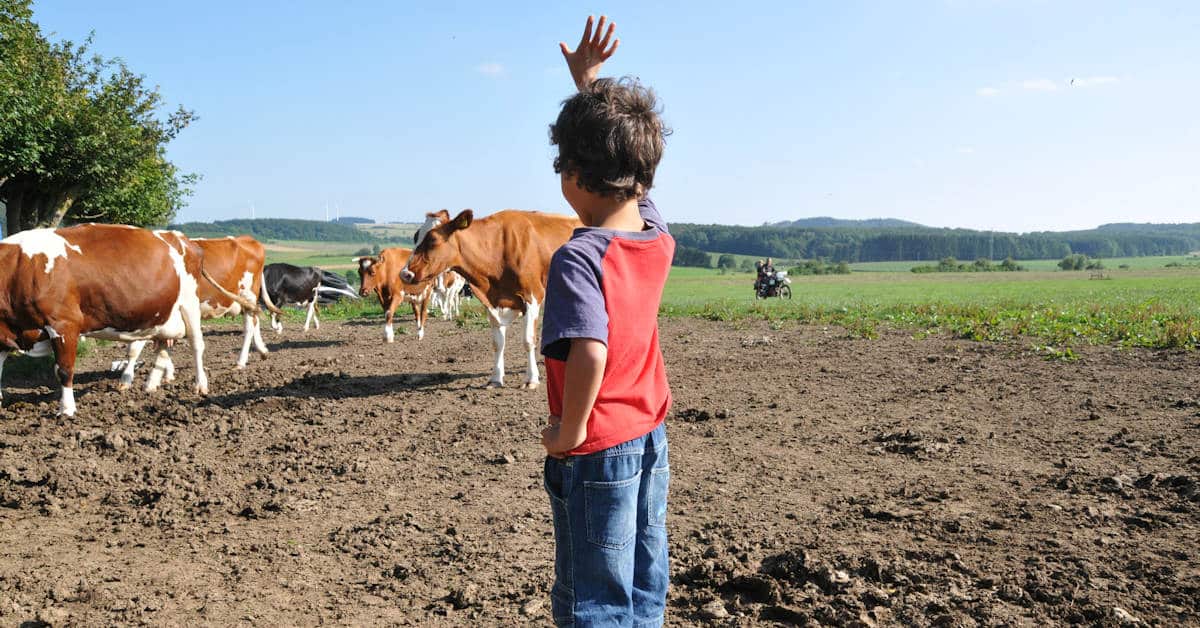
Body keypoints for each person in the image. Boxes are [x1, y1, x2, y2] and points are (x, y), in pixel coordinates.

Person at [539, 15, 674, 627]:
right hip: (650, 437)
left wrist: (569, 433)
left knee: (591, 594)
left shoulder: (578, 256)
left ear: (571, 175)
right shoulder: (656, 238)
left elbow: (589, 351)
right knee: (644, 576)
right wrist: (592, 83)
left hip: (596, 450)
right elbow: (637, 181)